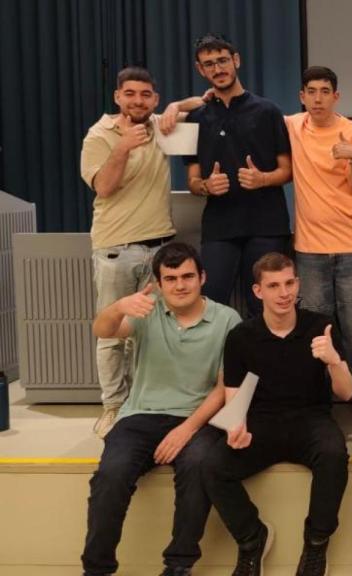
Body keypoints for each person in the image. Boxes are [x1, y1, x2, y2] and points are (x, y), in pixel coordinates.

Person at [82, 242, 241, 576]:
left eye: (187, 276)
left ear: (203, 278)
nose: (180, 285)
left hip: (196, 418)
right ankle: (97, 568)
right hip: (140, 414)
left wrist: (187, 429)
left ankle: (179, 565)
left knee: (198, 466)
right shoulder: (147, 310)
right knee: (110, 476)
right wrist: (119, 306)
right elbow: (103, 330)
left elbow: (225, 387)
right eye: (171, 279)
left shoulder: (227, 319)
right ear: (158, 283)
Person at [202, 252, 352, 576]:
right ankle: (251, 538)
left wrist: (333, 361)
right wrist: (235, 427)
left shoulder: (320, 326)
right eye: (273, 286)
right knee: (212, 466)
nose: (283, 293)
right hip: (262, 422)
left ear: (298, 284)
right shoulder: (241, 336)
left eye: (289, 283)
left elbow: (346, 392)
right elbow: (234, 398)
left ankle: (315, 544)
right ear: (258, 291)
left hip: (310, 419)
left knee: (333, 454)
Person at [80, 66, 203, 438]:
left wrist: (179, 105)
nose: (138, 100)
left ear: (155, 98)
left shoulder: (159, 126)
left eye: (146, 95)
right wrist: (122, 147)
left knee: (151, 334)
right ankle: (113, 407)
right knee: (114, 333)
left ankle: (141, 402)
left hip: (160, 249)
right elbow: (103, 187)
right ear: (118, 96)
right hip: (115, 249)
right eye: (130, 93)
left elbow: (202, 103)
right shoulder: (99, 135)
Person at [185, 33, 293, 317]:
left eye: (222, 60)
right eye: (209, 64)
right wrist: (206, 185)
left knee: (267, 305)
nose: (217, 69)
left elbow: (287, 170)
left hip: (266, 225)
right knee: (212, 304)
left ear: (236, 61)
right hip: (220, 226)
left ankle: (265, 363)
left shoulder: (268, 111)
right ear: (200, 69)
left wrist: (263, 179)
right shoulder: (195, 118)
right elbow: (193, 181)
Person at [286, 65, 352, 374]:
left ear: (336, 96)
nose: (318, 99)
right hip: (310, 249)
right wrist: (182, 105)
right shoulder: (294, 126)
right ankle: (318, 397)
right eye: (311, 92)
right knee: (315, 330)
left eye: (325, 92)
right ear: (302, 96)